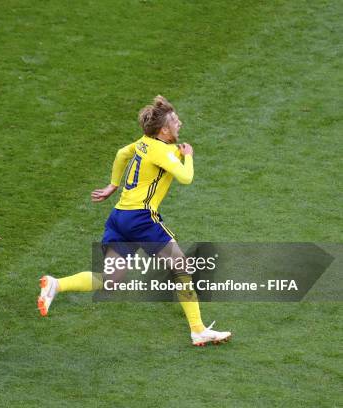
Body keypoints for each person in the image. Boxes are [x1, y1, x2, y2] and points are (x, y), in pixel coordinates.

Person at [37, 95, 231, 346]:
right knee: (181, 267)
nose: (179, 123)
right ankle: (197, 329)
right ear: (163, 129)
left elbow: (121, 154)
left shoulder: (144, 143)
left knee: (110, 278)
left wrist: (113, 185)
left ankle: (55, 285)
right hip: (141, 219)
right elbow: (185, 178)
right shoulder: (163, 150)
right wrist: (189, 155)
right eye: (175, 121)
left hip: (119, 216)